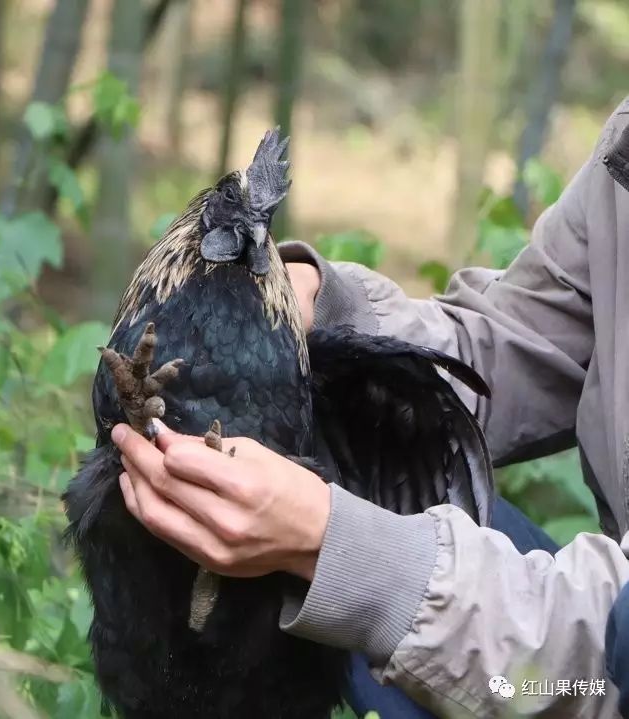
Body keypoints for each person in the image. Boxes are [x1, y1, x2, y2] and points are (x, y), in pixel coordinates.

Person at [110, 96, 629, 718]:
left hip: (599, 675)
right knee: (370, 461)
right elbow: (523, 345)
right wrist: (328, 311)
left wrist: (351, 556)